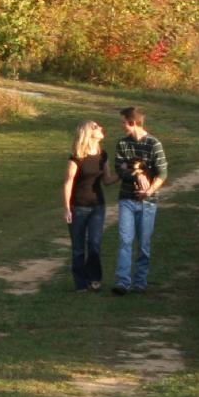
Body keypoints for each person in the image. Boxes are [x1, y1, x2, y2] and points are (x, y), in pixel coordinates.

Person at [111, 105, 168, 295]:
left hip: (148, 202)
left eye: (123, 123)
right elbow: (120, 169)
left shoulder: (154, 144)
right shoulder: (122, 144)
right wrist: (136, 176)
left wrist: (149, 191)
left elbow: (162, 173)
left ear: (132, 123)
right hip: (127, 198)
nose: (121, 126)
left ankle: (140, 283)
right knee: (125, 240)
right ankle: (122, 282)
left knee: (143, 243)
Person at [61, 120, 112, 291]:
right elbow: (68, 183)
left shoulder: (103, 155)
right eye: (96, 127)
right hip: (78, 206)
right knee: (78, 248)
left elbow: (107, 180)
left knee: (94, 244)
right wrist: (67, 208)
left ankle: (94, 278)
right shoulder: (76, 157)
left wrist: (125, 173)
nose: (100, 129)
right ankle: (80, 283)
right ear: (88, 133)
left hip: (98, 206)